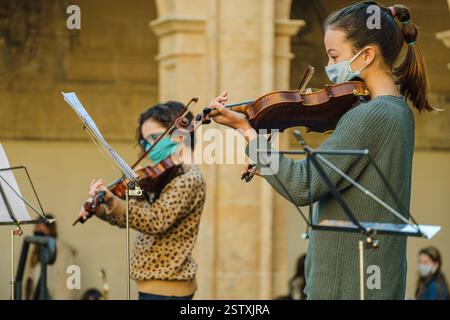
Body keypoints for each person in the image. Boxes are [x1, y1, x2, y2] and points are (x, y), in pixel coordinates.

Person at [207, 1, 435, 299]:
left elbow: (304, 185)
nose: (328, 67)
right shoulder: (396, 110)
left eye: (334, 55)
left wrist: (246, 131)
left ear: (366, 54)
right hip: (373, 279)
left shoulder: (370, 115)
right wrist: (268, 161)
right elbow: (336, 179)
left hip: (350, 282)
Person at [78, 101, 206, 300]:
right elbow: (133, 217)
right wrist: (101, 208)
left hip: (167, 287)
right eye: (145, 141)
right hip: (156, 285)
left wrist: (114, 200)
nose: (149, 146)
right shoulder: (165, 176)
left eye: (155, 138)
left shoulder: (188, 178)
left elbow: (154, 220)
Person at [24, 213, 77, 300]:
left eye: (40, 227)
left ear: (50, 229)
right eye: (36, 227)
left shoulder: (64, 253)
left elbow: (71, 285)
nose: (36, 231)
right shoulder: (35, 253)